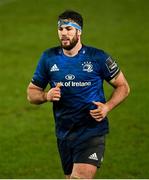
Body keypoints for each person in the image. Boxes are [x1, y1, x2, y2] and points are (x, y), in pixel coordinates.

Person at [27, 10, 130, 179]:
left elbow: (123, 87)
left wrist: (107, 107)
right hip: (64, 133)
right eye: (61, 29)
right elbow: (31, 94)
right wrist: (46, 96)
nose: (64, 33)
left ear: (79, 31)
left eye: (68, 28)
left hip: (91, 131)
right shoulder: (48, 58)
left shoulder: (98, 57)